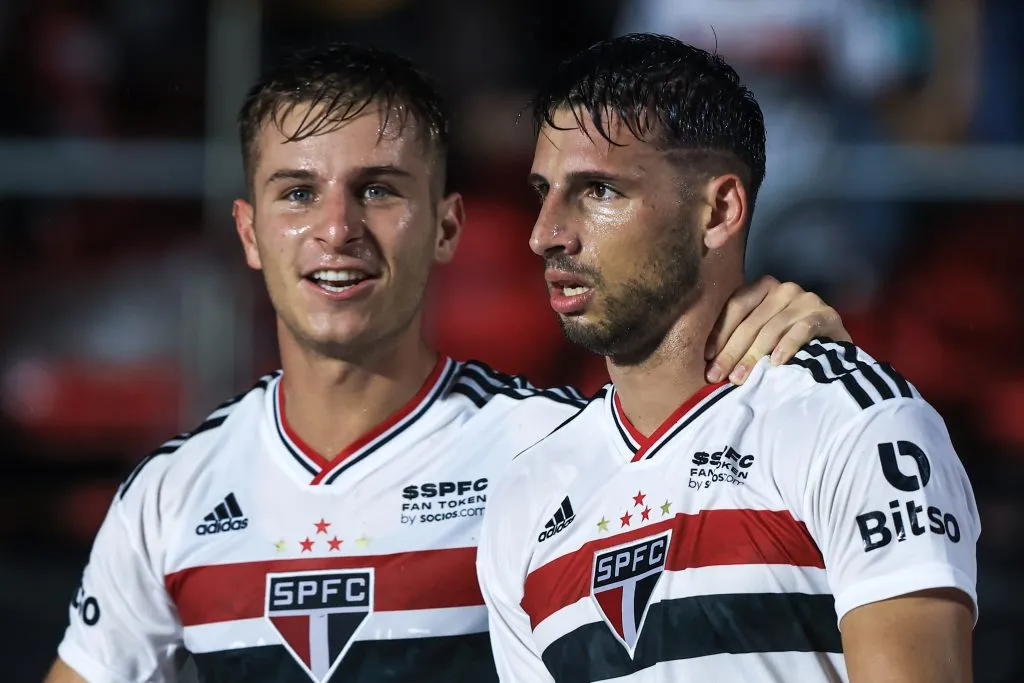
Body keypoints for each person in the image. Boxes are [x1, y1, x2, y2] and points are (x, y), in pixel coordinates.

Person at [45, 43, 853, 683]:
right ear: (250, 233)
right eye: (296, 193)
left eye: (378, 190)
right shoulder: (169, 495)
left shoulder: (556, 449)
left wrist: (801, 336)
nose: (336, 229)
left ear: (447, 227)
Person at [477, 33, 978, 683]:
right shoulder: (527, 494)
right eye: (544, 190)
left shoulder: (855, 425)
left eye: (598, 190)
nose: (546, 233)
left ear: (718, 210)